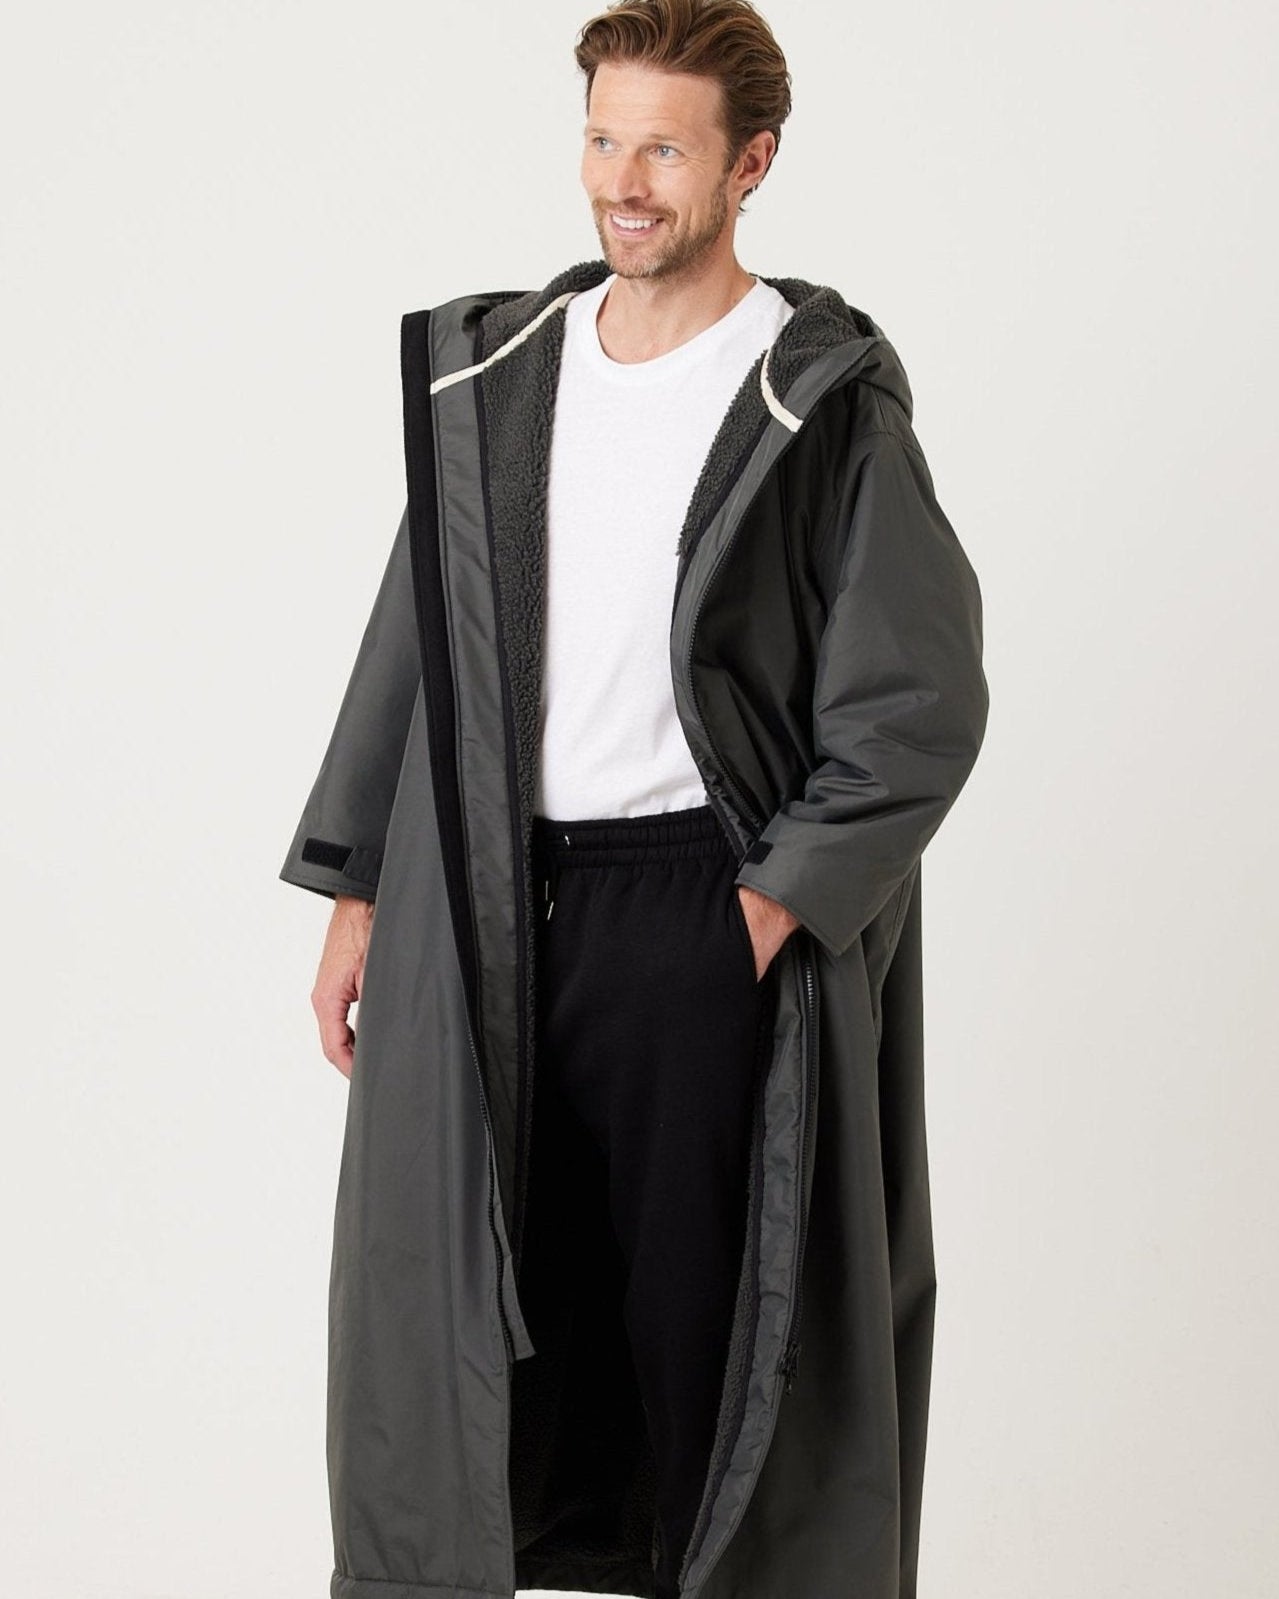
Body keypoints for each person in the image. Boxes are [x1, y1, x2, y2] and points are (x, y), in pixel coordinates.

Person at [279, 4, 989, 1598]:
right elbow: (418, 646)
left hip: (699, 904)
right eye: (603, 139)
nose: (621, 181)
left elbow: (918, 698)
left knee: (706, 1338)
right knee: (477, 1316)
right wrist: (359, 889)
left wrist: (772, 903)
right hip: (492, 899)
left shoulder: (819, 401)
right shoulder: (502, 376)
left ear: (751, 164)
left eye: (663, 148)